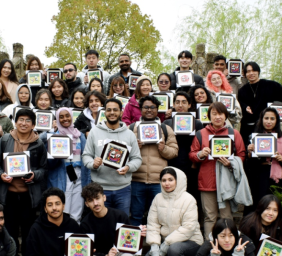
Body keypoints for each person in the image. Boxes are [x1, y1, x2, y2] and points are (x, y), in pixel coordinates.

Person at [0, 109, 47, 256]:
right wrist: (1, 175)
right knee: (9, 232)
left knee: (29, 232)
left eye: (28, 120)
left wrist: (34, 175)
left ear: (33, 124)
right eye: (21, 120)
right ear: (15, 122)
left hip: (28, 196)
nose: (24, 123)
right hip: (8, 195)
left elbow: (44, 169)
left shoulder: (38, 143)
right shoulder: (5, 140)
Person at [189, 102, 247, 238]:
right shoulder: (201, 134)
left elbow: (242, 154)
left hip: (226, 183)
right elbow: (192, 154)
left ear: (225, 116)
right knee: (210, 217)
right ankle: (209, 247)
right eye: (214, 114)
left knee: (227, 216)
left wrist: (231, 163)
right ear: (208, 116)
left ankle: (228, 245)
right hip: (207, 182)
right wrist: (201, 154)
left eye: (220, 114)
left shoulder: (234, 133)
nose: (217, 117)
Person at [145, 167, 203, 256]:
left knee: (174, 249)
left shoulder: (189, 199)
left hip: (191, 242)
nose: (167, 183)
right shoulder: (157, 198)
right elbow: (152, 224)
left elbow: (188, 228)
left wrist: (167, 243)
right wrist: (154, 245)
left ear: (178, 181)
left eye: (171, 179)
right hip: (168, 244)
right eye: (164, 180)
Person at [82, 98, 142, 215]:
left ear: (121, 112)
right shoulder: (94, 132)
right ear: (104, 112)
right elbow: (86, 156)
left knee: (121, 223)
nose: (112, 112)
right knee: (101, 222)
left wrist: (128, 167)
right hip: (99, 189)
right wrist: (92, 163)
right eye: (109, 110)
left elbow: (137, 158)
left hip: (123, 188)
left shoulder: (129, 134)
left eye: (115, 110)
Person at [128, 96, 178, 226]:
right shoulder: (131, 128)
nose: (149, 110)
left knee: (158, 218)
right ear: (140, 109)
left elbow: (174, 152)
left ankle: (156, 245)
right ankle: (136, 245)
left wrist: (163, 148)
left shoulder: (166, 129)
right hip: (136, 180)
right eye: (146, 107)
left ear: (157, 110)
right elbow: (123, 154)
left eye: (152, 107)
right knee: (136, 216)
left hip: (158, 181)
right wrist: (135, 148)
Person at [40, 107, 90, 223]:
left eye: (67, 116)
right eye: (61, 117)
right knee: (63, 210)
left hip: (78, 175)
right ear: (57, 119)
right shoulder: (53, 136)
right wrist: (57, 156)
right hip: (62, 175)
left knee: (77, 210)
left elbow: (86, 156)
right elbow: (49, 164)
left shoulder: (79, 135)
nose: (65, 119)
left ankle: (72, 238)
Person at [245, 108, 282, 213]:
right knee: (259, 206)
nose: (269, 121)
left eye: (272, 118)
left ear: (277, 121)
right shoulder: (253, 137)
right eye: (266, 118)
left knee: (278, 206)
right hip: (259, 177)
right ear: (261, 119)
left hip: (279, 178)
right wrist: (249, 153)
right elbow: (249, 163)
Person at [238, 61, 282, 145]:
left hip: (267, 126)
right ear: (245, 74)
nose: (251, 73)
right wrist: (245, 107)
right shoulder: (242, 90)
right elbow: (240, 104)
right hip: (248, 127)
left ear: (258, 72)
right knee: (249, 152)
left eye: (253, 70)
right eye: (248, 71)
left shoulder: (269, 85)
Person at [163, 92, 203, 200]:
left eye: (184, 102)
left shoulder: (197, 123)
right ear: (174, 105)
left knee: (191, 195)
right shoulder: (167, 123)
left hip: (191, 165)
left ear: (189, 105)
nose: (180, 105)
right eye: (177, 102)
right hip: (172, 163)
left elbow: (200, 145)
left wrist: (195, 163)